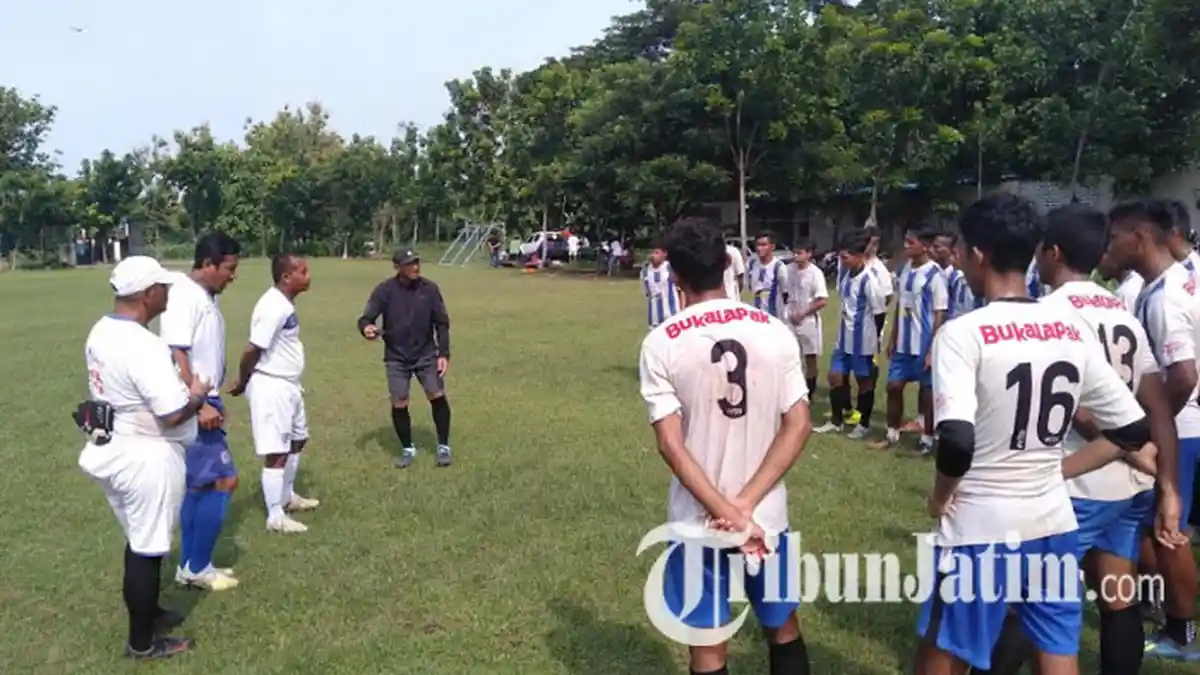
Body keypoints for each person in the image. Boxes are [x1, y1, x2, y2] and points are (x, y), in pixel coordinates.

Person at [918, 192, 1151, 675]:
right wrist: (1057, 469)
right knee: (1056, 650)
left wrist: (940, 499)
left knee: (945, 650)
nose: (959, 261)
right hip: (1054, 522)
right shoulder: (1068, 329)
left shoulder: (963, 333)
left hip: (981, 524)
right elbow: (1132, 428)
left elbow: (957, 439)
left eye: (961, 251)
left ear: (978, 254)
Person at [638, 217, 813, 675]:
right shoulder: (773, 329)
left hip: (698, 520)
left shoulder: (662, 342)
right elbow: (799, 423)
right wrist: (747, 505)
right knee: (782, 626)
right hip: (766, 516)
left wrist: (727, 511)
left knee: (708, 643)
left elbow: (670, 444)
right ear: (725, 264)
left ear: (675, 275)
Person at [1038, 203, 1174, 675]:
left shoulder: (1049, 314)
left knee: (1032, 603)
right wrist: (1163, 479)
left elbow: (1075, 408)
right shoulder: (1120, 309)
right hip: (1128, 491)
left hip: (1078, 483)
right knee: (1118, 595)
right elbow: (1156, 403)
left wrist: (1131, 452)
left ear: (1053, 252)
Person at [78, 256, 211, 660]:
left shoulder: (101, 331)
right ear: (148, 293)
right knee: (147, 550)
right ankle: (142, 643)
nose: (168, 294)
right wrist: (198, 396)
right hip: (146, 454)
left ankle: (150, 613)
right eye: (163, 288)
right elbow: (172, 412)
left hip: (113, 446)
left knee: (138, 539)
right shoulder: (143, 344)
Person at [1106, 199, 1200, 661]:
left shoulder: (1164, 298)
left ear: (1139, 238)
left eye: (1114, 238)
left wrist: (1152, 429)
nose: (1108, 247)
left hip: (1181, 428)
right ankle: (1158, 609)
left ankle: (1181, 632)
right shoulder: (1174, 282)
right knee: (1154, 526)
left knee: (1167, 530)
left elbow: (1183, 374)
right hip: (1185, 425)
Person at [160, 233, 241, 591]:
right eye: (229, 268)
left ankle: (189, 566)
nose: (233, 276)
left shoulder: (203, 295)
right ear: (208, 264)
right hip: (194, 401)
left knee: (200, 484)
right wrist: (201, 403)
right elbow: (175, 351)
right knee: (224, 480)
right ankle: (198, 567)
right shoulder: (185, 296)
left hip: (203, 398)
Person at [230, 254, 318, 533]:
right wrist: (243, 381)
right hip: (272, 386)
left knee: (298, 440)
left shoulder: (284, 303)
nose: (309, 276)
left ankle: (287, 496)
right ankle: (275, 516)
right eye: (303, 271)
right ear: (286, 277)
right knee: (276, 452)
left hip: (289, 384)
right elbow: (252, 349)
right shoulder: (272, 307)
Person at [358, 249, 453, 469]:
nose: (415, 267)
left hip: (426, 354)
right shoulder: (384, 291)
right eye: (410, 264)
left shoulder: (430, 289)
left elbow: (442, 323)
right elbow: (365, 319)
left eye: (417, 262)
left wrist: (443, 354)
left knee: (436, 394)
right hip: (396, 357)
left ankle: (443, 447)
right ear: (397, 267)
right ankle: (407, 448)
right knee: (399, 402)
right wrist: (367, 328)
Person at [875, 226, 947, 454]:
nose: (906, 246)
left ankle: (927, 439)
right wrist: (893, 337)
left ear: (924, 246)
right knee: (893, 386)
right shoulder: (906, 268)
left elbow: (940, 313)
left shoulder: (935, 274)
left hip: (923, 344)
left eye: (911, 242)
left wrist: (932, 349)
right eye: (905, 241)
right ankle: (892, 434)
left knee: (927, 392)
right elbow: (900, 305)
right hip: (903, 345)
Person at [814, 229, 884, 438]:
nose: (842, 261)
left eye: (846, 257)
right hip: (843, 340)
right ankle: (836, 421)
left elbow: (879, 312)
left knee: (864, 383)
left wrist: (875, 339)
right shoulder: (846, 276)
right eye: (841, 257)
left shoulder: (869, 280)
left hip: (863, 342)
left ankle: (863, 424)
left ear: (859, 256)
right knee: (835, 377)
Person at [783, 240, 829, 396]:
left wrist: (804, 313)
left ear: (809, 254)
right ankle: (792, 390)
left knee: (810, 358)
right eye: (794, 252)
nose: (796, 256)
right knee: (790, 356)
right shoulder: (787, 270)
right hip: (789, 318)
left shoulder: (815, 273)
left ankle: (810, 392)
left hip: (808, 320)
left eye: (799, 253)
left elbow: (822, 300)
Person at [747, 231, 789, 319]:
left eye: (763, 245)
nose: (759, 248)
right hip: (755, 315)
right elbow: (749, 289)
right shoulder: (751, 265)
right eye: (757, 245)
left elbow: (786, 293)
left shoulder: (779, 267)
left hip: (774, 316)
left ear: (772, 246)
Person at [640, 240, 680, 329]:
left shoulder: (670, 268)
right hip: (654, 317)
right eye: (651, 252)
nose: (653, 255)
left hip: (671, 315)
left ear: (664, 254)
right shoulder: (645, 271)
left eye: (656, 253)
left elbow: (681, 289)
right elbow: (647, 292)